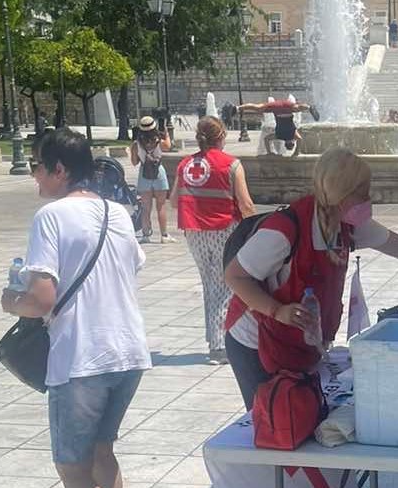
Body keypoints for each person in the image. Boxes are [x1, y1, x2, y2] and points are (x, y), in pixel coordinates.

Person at [3, 128, 151, 488]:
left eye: (37, 165)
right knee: (102, 451)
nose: (34, 174)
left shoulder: (51, 216)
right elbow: (133, 267)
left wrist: (11, 300)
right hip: (127, 350)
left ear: (59, 170)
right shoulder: (118, 213)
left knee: (73, 468)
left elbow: (41, 297)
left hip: (81, 357)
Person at [223, 148, 398, 405]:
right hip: (254, 340)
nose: (368, 199)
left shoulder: (348, 227)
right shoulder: (284, 230)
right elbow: (235, 277)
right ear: (341, 196)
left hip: (297, 340)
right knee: (273, 424)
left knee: (303, 416)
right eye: (362, 193)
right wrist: (277, 311)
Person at [171, 116, 256, 364]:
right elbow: (246, 203)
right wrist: (254, 231)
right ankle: (219, 346)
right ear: (222, 136)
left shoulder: (185, 164)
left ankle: (213, 338)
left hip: (194, 231)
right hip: (224, 229)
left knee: (210, 283)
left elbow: (175, 200)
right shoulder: (231, 165)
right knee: (226, 284)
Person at [130, 116, 174, 244]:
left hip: (144, 174)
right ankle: (164, 235)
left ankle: (145, 235)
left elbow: (134, 162)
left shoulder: (136, 144)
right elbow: (168, 146)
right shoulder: (159, 141)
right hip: (158, 172)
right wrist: (166, 133)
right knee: (161, 206)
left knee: (145, 207)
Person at [238, 98, 318, 156]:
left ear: (293, 143)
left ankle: (309, 107)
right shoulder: (279, 136)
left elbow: (299, 139)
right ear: (285, 144)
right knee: (258, 108)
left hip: (285, 108)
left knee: (297, 108)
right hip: (278, 110)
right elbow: (266, 139)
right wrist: (269, 153)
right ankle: (237, 108)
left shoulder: (292, 134)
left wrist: (296, 151)